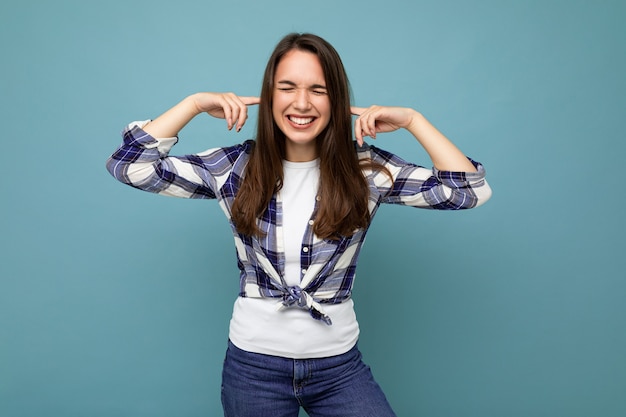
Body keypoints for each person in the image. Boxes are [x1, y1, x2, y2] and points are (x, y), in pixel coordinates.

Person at [106, 32, 491, 417]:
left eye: (318, 90)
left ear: (337, 100)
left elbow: (468, 191)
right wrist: (192, 104)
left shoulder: (367, 171)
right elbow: (129, 165)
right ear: (269, 96)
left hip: (339, 368)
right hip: (253, 369)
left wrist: (412, 120)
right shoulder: (233, 168)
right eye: (287, 87)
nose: (302, 103)